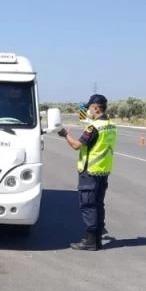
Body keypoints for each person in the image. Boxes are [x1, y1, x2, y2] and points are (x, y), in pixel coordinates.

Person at [57, 94, 118, 250]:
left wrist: (65, 134)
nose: (88, 110)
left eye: (89, 107)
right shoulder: (111, 125)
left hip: (90, 171)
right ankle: (96, 239)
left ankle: (91, 241)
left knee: (88, 205)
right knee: (98, 204)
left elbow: (77, 145)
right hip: (103, 171)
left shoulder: (93, 128)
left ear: (96, 108)